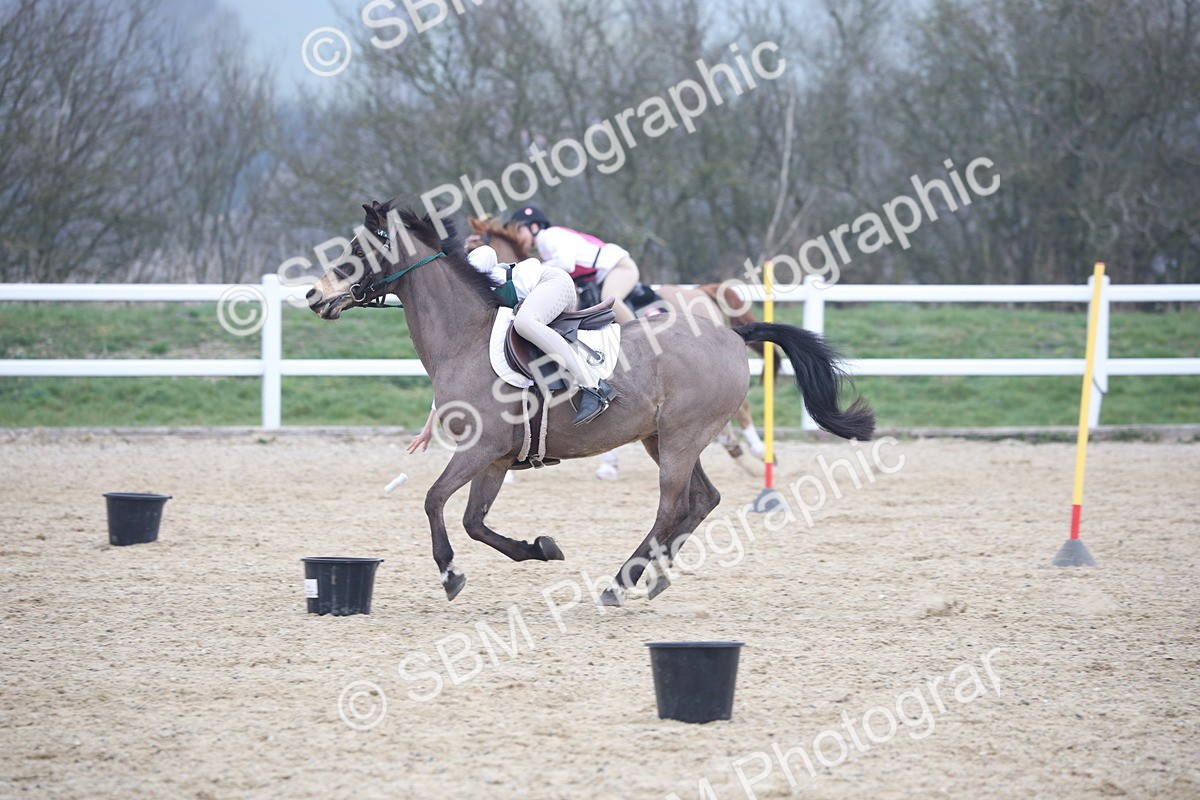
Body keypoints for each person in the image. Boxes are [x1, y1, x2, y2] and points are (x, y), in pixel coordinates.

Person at [407, 245, 616, 453]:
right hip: (544, 294)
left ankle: (594, 387)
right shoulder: (460, 304)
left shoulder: (467, 271)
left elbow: (488, 252)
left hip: (552, 283)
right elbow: (451, 381)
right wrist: (428, 428)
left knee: (524, 323)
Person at [507, 205, 640, 324]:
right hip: (605, 273)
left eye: (518, 231)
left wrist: (535, 270)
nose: (516, 238)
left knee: (611, 298)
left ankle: (639, 335)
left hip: (619, 266)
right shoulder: (544, 246)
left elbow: (566, 264)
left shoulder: (548, 236)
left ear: (534, 227)